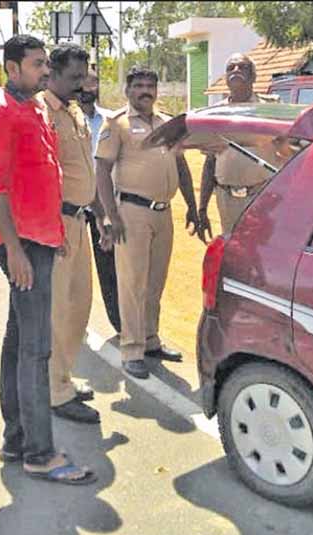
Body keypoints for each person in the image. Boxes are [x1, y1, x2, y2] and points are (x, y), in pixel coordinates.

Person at [0, 34, 95, 484]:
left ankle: (16, 440)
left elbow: (45, 178)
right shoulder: (1, 114)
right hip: (22, 245)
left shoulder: (33, 111)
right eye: (36, 65)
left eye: (46, 64)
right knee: (35, 350)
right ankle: (40, 453)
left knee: (17, 344)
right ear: (11, 68)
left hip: (42, 239)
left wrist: (56, 231)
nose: (45, 71)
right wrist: (15, 249)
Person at [96, 66, 200, 379]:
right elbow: (102, 170)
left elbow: (181, 166)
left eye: (150, 86)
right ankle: (131, 349)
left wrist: (192, 207)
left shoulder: (168, 123)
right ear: (127, 90)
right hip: (132, 213)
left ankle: (151, 340)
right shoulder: (116, 124)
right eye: (139, 85)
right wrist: (110, 215)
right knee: (132, 284)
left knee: (155, 282)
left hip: (163, 213)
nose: (145, 91)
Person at [40, 43, 106, 424]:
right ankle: (55, 391)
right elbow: (42, 176)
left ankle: (62, 377)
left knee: (79, 306)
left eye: (84, 77)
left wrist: (100, 214)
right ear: (51, 71)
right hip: (58, 224)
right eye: (74, 77)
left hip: (81, 221)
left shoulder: (75, 111)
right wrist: (53, 226)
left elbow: (85, 170)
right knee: (58, 311)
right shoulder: (42, 112)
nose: (82, 85)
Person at [196, 53, 283, 241]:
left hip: (262, 197)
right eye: (230, 68)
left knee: (262, 248)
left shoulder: (270, 109)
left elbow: (287, 152)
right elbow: (210, 163)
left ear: (253, 77)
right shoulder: (216, 114)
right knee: (232, 249)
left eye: (242, 67)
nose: (236, 71)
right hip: (227, 200)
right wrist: (202, 208)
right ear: (225, 79)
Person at [78, 70, 121, 334]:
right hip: (72, 208)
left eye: (92, 82)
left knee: (110, 269)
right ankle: (71, 324)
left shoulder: (110, 121)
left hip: (104, 205)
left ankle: (121, 325)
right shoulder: (62, 121)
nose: (86, 86)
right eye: (81, 81)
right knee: (73, 271)